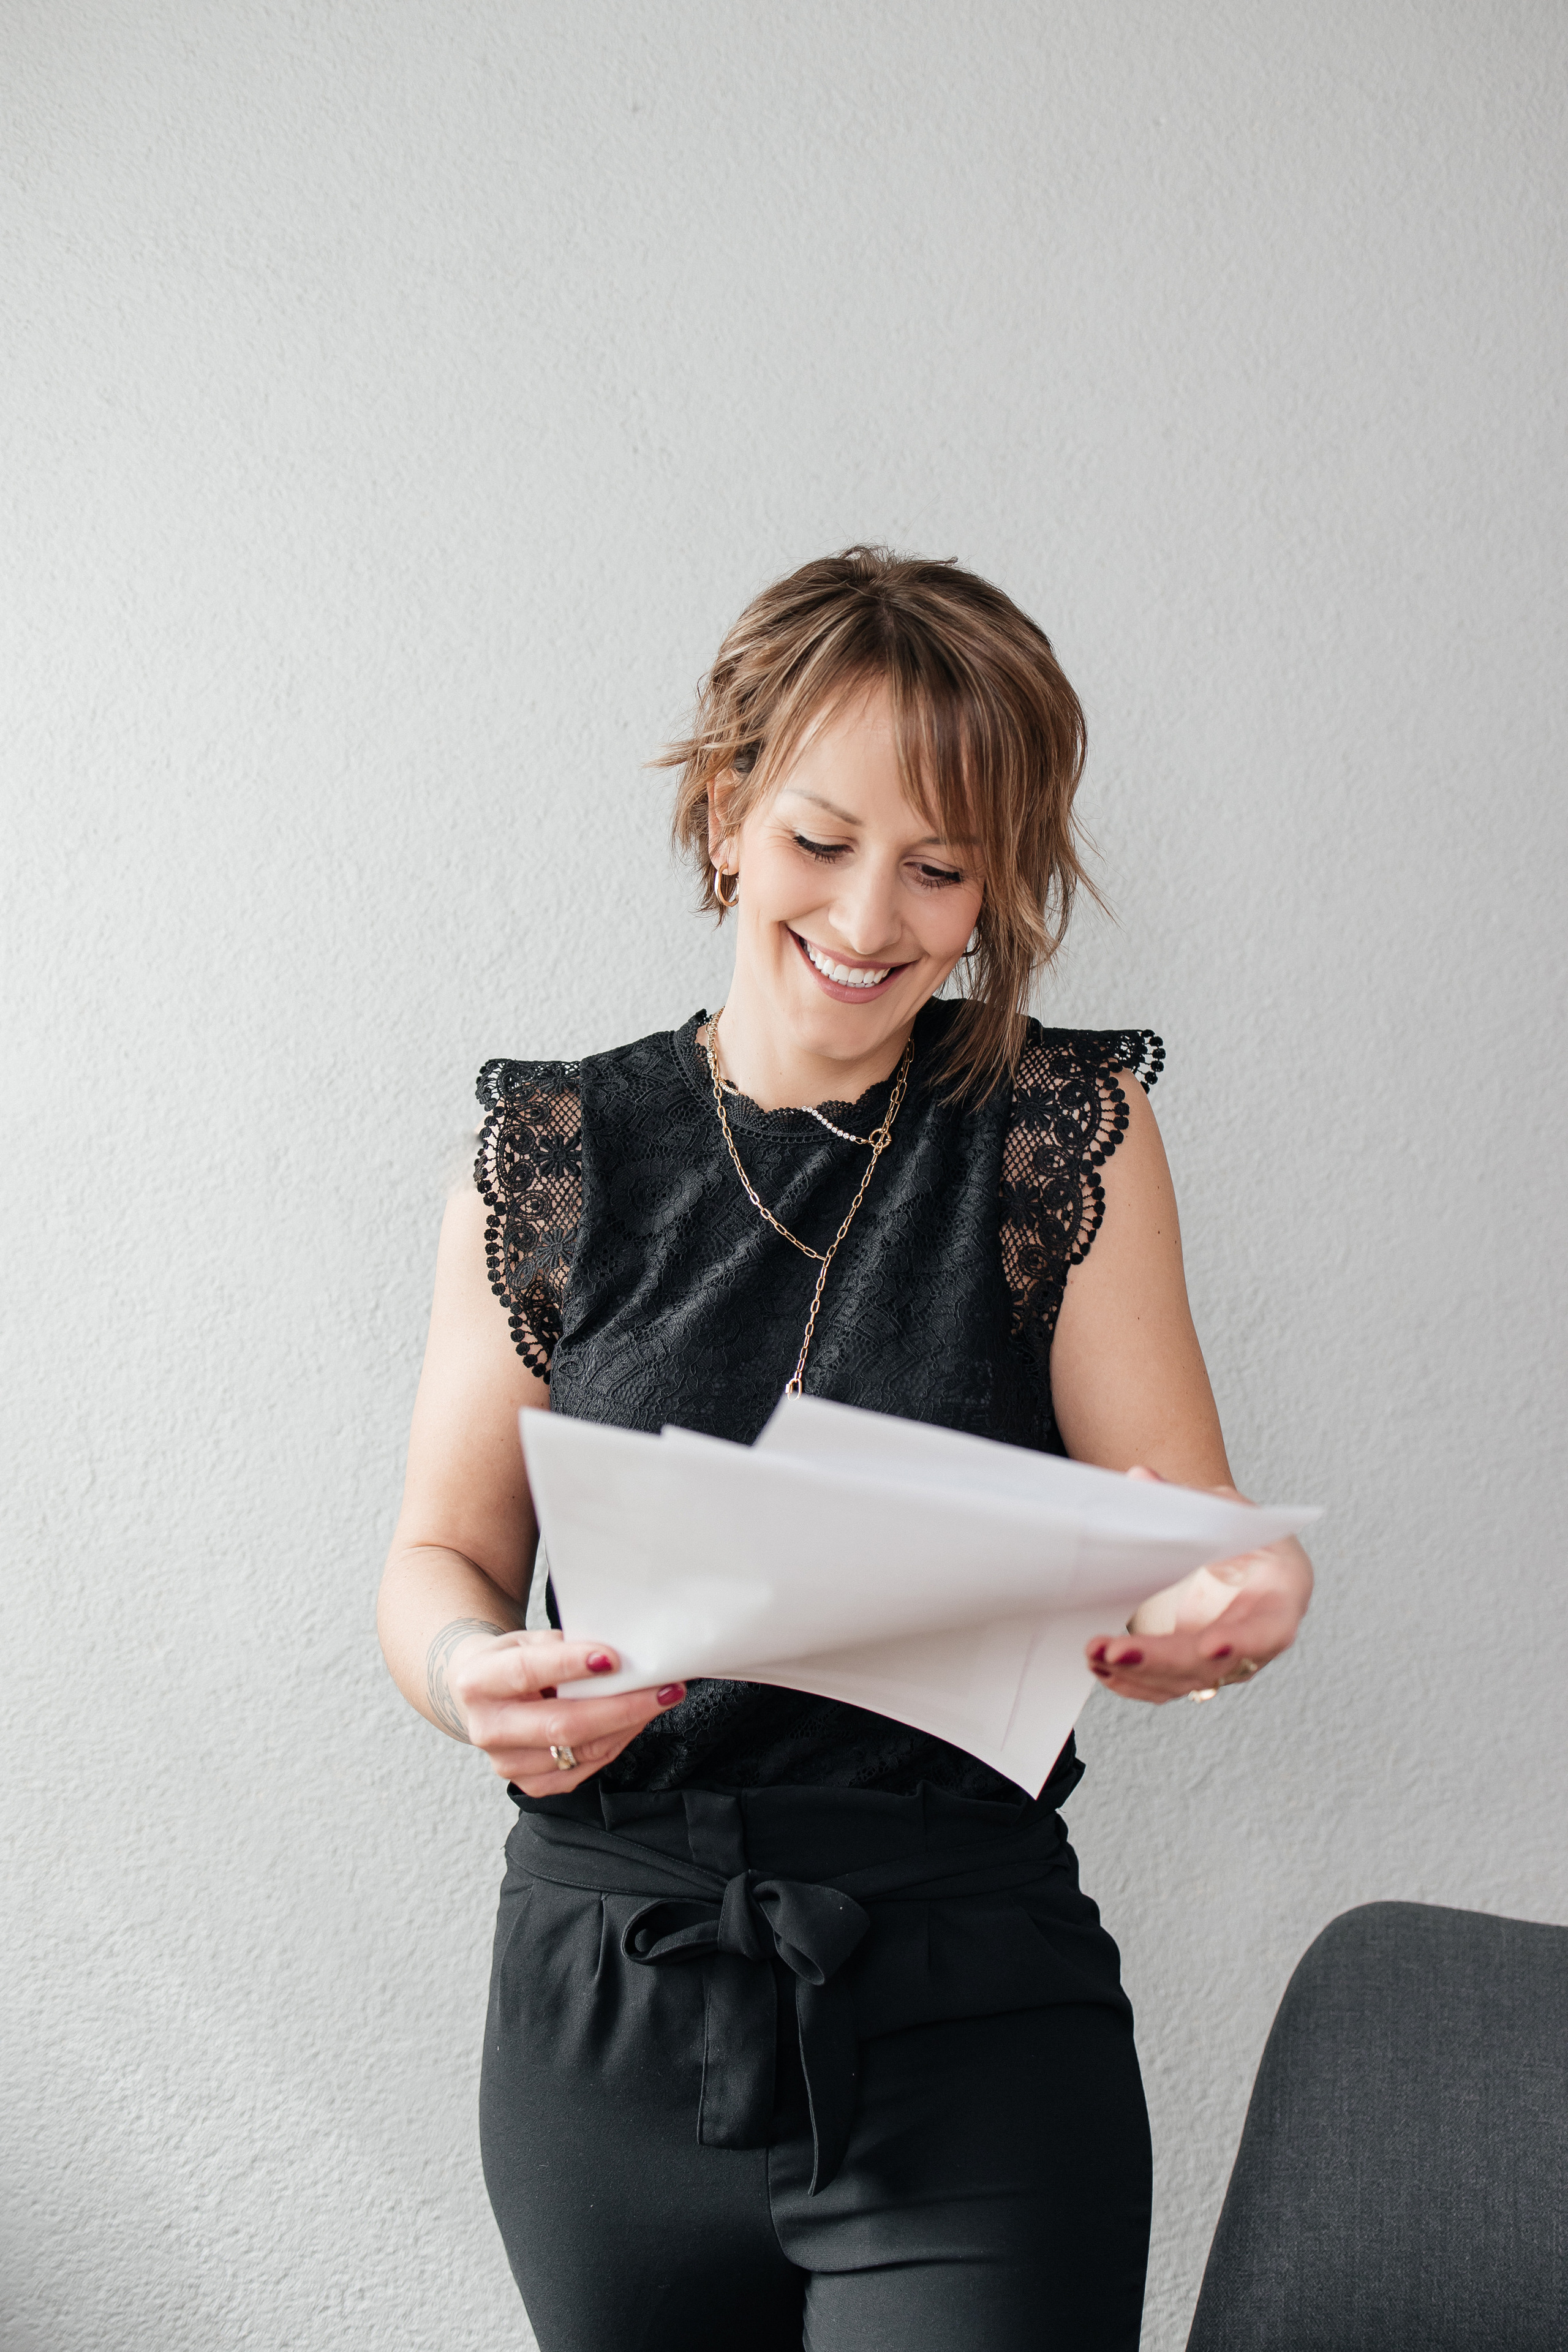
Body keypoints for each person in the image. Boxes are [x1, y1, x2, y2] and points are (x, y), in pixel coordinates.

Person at [377, 546, 1313, 2352]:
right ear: (724, 814)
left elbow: (1194, 1525)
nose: (873, 917)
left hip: (970, 1998)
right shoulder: (557, 1152)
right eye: (819, 840)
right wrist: (470, 1670)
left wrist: (1237, 1599)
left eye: (942, 868)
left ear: (1000, 886)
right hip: (611, 1994)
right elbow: (439, 1561)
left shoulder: (1063, 1131)